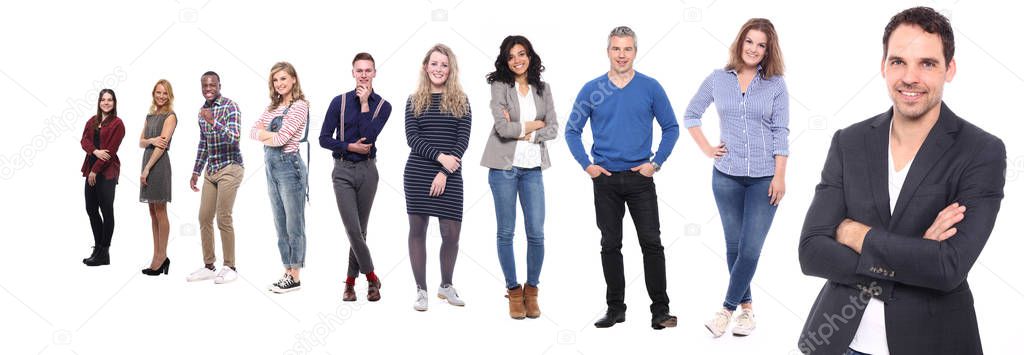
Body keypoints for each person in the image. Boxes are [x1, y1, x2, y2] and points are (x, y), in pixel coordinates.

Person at [796, 7, 1005, 355]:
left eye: (927, 63)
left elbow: (948, 267)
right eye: (898, 62)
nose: (910, 77)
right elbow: (812, 252)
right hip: (838, 340)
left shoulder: (981, 151)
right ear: (883, 66)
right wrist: (916, 253)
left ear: (949, 69)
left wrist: (857, 235)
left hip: (934, 342)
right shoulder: (849, 141)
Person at [565, 26, 680, 330]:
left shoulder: (650, 87)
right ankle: (616, 308)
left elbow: (671, 127)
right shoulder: (592, 89)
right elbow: (571, 130)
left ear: (635, 52)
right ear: (608, 51)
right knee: (610, 245)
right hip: (605, 180)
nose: (621, 55)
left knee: (651, 244)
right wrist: (587, 165)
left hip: (640, 179)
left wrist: (655, 163)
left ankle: (660, 310)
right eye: (616, 49)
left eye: (627, 49)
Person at [682, 18, 790, 337]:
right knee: (733, 246)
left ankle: (726, 310)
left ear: (768, 50)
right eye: (750, 42)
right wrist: (707, 149)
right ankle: (748, 312)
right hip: (726, 176)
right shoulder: (718, 79)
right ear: (740, 42)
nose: (754, 49)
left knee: (751, 248)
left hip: (763, 178)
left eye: (761, 45)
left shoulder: (776, 84)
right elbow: (691, 115)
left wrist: (780, 176)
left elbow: (781, 132)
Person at [481, 35, 558, 320]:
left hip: (533, 169)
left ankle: (532, 291)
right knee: (506, 232)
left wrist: (530, 130)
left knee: (536, 233)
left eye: (522, 54)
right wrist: (534, 123)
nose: (517, 60)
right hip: (503, 168)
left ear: (530, 56)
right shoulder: (500, 86)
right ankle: (513, 292)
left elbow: (554, 128)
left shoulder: (543, 88)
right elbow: (502, 128)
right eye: (512, 55)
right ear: (506, 59)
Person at [319, 52, 392, 302]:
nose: (363, 75)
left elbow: (369, 136)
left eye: (368, 70)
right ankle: (372, 278)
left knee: (361, 230)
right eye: (359, 70)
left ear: (374, 73)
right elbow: (323, 138)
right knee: (352, 229)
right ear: (353, 73)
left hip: (368, 172)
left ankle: (350, 283)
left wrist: (363, 104)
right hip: (342, 171)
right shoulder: (337, 102)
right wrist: (349, 147)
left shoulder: (383, 106)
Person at [404, 44, 472, 312]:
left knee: (451, 234)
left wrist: (444, 170)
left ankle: (446, 285)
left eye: (444, 65)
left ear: (450, 69)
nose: (438, 69)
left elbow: (462, 140)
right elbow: (413, 138)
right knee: (417, 231)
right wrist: (440, 158)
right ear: (425, 67)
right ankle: (421, 289)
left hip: (451, 175)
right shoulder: (413, 100)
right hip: (418, 174)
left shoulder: (462, 100)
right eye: (434, 64)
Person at [251, 62, 310, 293]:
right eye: (276, 80)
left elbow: (281, 139)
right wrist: (269, 134)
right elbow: (252, 131)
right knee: (280, 222)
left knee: (294, 223)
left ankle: (295, 275)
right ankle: (286, 271)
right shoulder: (272, 107)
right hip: (271, 169)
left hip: (289, 168)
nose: (280, 83)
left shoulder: (300, 106)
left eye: (284, 78)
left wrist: (267, 135)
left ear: (294, 79)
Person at [186, 71, 245, 285]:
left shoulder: (230, 106)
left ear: (219, 85)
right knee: (204, 217)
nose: (208, 88)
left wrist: (213, 122)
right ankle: (209, 266)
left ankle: (230, 266)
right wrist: (196, 171)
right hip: (211, 171)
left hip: (230, 167)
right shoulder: (202, 111)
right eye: (204, 85)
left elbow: (234, 138)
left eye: (212, 84)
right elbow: (203, 144)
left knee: (223, 217)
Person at [80, 89, 125, 267]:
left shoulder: (118, 124)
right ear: (99, 102)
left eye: (110, 100)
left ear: (114, 103)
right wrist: (94, 151)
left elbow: (110, 153)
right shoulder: (93, 120)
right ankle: (98, 248)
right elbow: (84, 141)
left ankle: (104, 251)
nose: (106, 103)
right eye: (103, 100)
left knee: (106, 210)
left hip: (106, 172)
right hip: (91, 168)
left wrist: (95, 171)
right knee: (91, 208)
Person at [140, 79, 178, 276]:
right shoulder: (150, 115)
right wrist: (150, 140)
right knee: (152, 212)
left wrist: (146, 169)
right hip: (147, 160)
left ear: (169, 95)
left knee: (161, 211)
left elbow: (161, 146)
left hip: (157, 164)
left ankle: (162, 256)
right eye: (158, 92)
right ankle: (156, 255)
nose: (161, 96)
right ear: (153, 93)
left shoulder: (170, 116)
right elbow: (140, 141)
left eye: (165, 93)